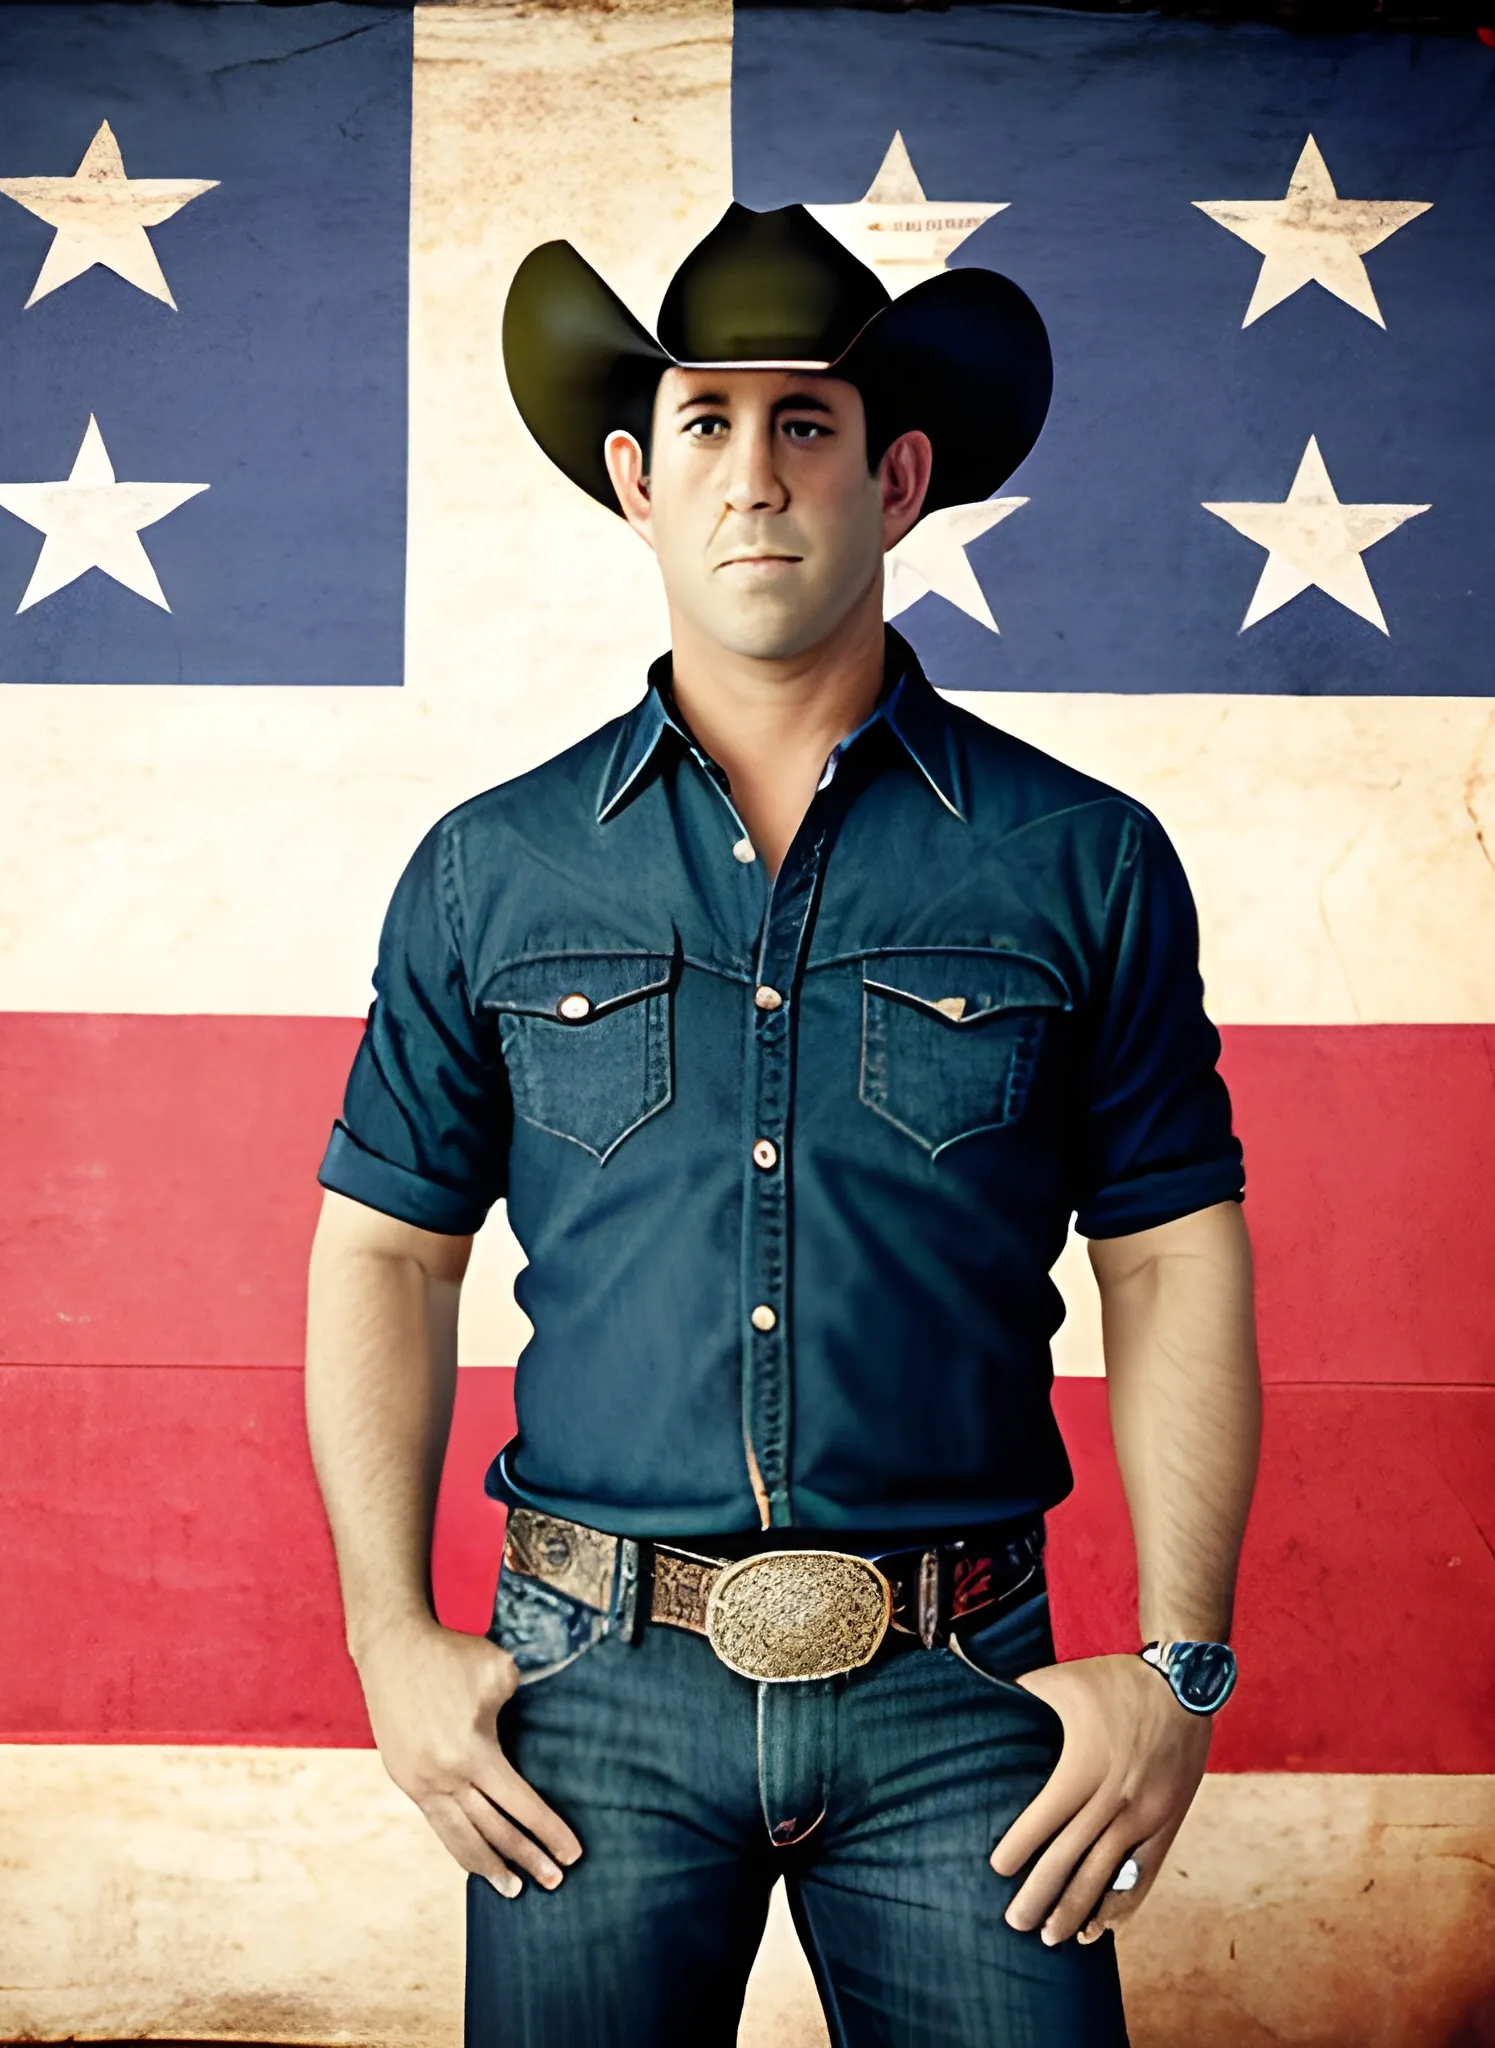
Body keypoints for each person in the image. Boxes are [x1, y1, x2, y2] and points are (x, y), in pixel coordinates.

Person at [304, 202, 1260, 2047]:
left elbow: (1167, 1256)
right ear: (633, 484)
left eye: (805, 424)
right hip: (584, 1695)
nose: (755, 478)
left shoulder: (1085, 860)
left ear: (898, 479)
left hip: (971, 1700)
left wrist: (1183, 1665)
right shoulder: (488, 871)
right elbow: (389, 1251)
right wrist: (384, 1637)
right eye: (705, 427)